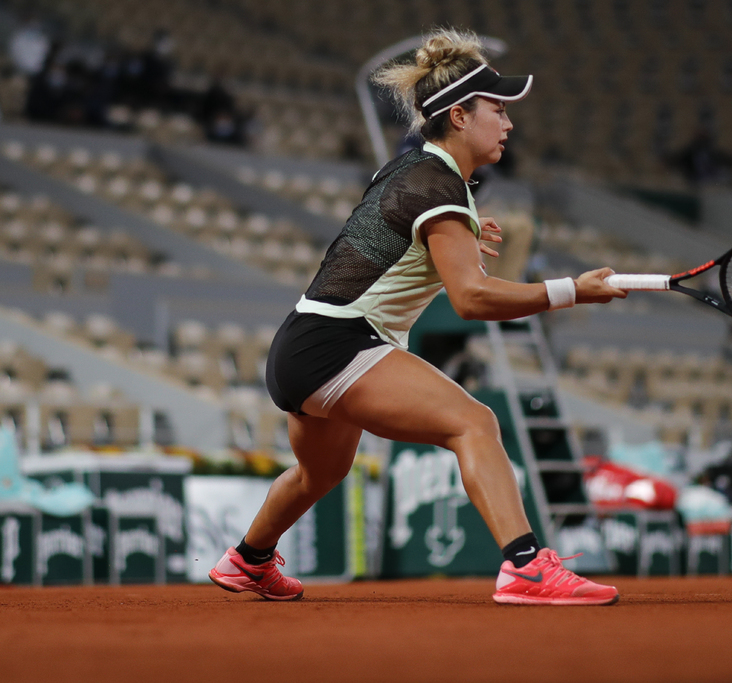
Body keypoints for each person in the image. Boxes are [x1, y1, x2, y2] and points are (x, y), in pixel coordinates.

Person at [209, 29, 625, 606]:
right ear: (459, 115)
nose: (507, 123)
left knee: (319, 475)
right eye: (497, 109)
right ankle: (527, 568)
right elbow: (472, 301)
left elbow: (387, 233)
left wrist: (456, 239)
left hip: (298, 347)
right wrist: (569, 292)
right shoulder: (438, 186)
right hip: (340, 343)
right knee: (475, 424)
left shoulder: (412, 172)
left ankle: (246, 561)